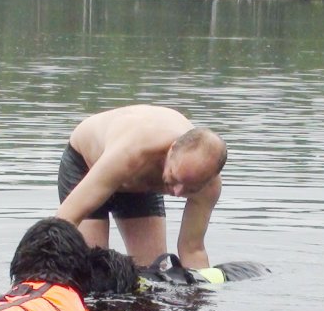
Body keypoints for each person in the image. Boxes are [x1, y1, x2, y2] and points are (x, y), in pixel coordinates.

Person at [56, 105, 227, 269]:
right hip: (87, 165)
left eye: (191, 188)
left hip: (138, 184)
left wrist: (201, 294)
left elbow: (192, 249)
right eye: (175, 178)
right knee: (90, 267)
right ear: (171, 150)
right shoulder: (131, 153)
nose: (177, 192)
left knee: (153, 271)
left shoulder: (209, 187)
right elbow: (64, 221)